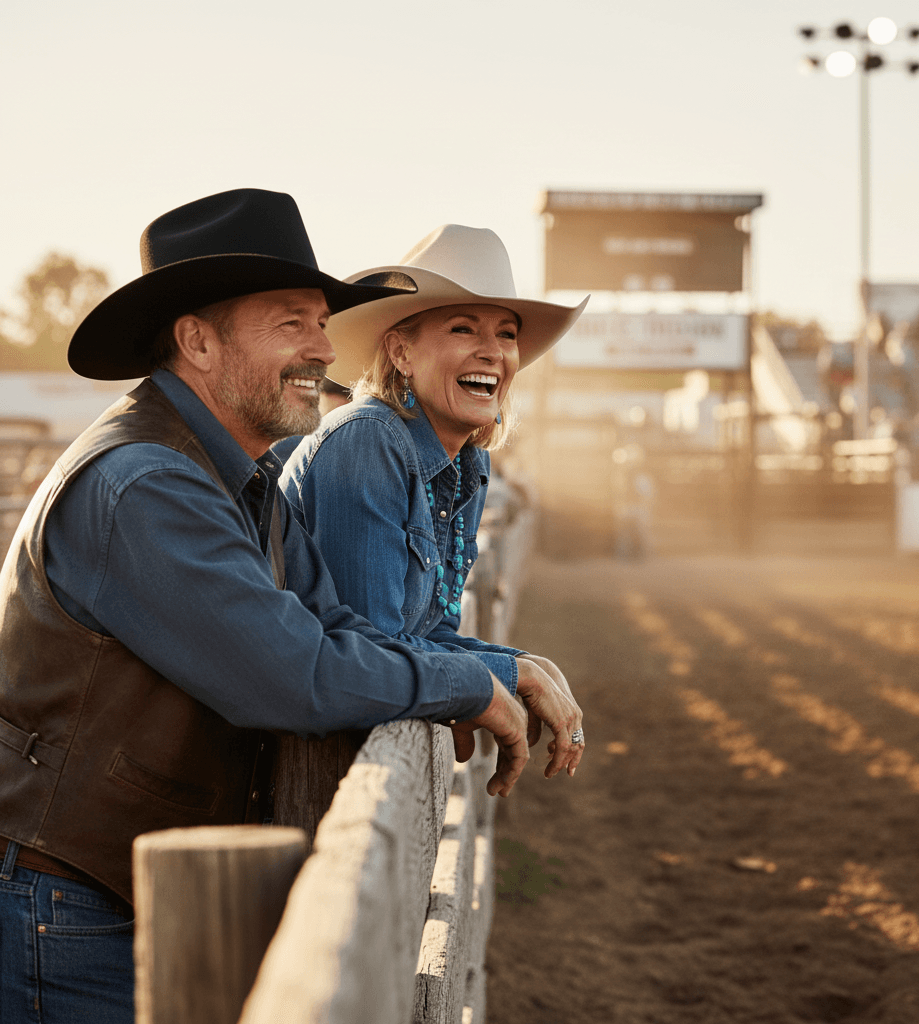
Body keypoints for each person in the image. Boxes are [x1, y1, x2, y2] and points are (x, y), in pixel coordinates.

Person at [0, 190, 533, 1023]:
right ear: (197, 340)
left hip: (129, 884)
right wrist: (470, 687)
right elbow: (292, 673)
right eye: (294, 323)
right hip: (70, 898)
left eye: (323, 323)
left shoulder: (237, 479)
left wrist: (485, 670)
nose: (325, 349)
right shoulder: (146, 484)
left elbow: (340, 625)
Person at [282, 225, 588, 777]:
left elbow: (430, 633)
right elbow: (369, 645)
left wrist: (524, 664)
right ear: (401, 351)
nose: (492, 352)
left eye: (507, 334)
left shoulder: (469, 464)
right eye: (463, 327)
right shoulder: (365, 440)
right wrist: (516, 677)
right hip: (310, 764)